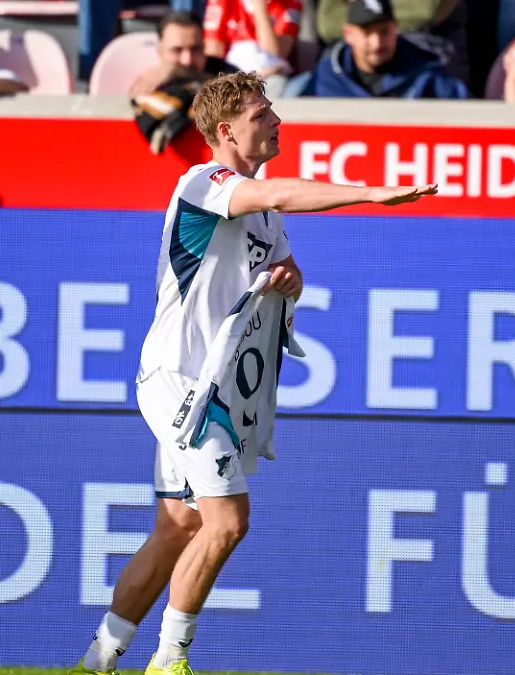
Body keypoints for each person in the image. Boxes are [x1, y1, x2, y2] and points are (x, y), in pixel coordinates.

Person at [71, 71, 436, 675]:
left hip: (212, 386)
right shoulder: (205, 182)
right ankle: (169, 661)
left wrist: (292, 281)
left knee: (178, 528)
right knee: (229, 520)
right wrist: (371, 193)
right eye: (263, 114)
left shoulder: (261, 208)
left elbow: (285, 268)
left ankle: (96, 660)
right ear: (227, 130)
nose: (277, 121)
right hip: (180, 382)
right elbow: (280, 196)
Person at [299, 0, 469, 98]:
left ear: (396, 28)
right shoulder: (327, 79)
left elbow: (427, 10)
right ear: (348, 34)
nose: (377, 43)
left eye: (384, 32)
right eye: (367, 32)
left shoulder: (428, 77)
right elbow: (328, 22)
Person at [130, 11, 237, 98]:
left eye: (195, 49)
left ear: (204, 47)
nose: (187, 60)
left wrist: (174, 73)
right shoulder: (144, 78)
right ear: (160, 50)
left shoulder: (228, 75)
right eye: (177, 50)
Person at [204, 0, 301, 92]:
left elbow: (275, 51)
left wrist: (259, 5)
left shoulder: (290, 2)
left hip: (274, 78)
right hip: (233, 80)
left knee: (277, 83)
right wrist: (250, 77)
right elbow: (213, 54)